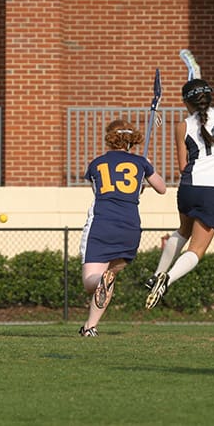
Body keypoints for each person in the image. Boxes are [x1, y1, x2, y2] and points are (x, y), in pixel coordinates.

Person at [145, 78, 214, 309]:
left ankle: (157, 274)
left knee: (182, 231)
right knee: (196, 249)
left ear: (187, 102)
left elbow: (183, 166)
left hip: (188, 188)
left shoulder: (182, 126)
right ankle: (167, 280)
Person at [78, 119, 166, 336]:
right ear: (131, 140)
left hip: (102, 224)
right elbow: (162, 188)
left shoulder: (96, 163)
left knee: (92, 283)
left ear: (109, 138)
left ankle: (100, 281)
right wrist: (142, 176)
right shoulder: (141, 163)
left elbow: (101, 191)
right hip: (130, 227)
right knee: (108, 277)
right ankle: (90, 327)